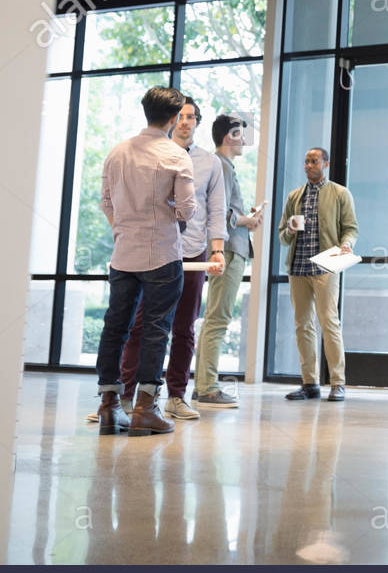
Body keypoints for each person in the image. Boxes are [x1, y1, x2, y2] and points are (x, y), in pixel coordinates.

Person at [93, 95, 226, 424]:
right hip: (164, 255)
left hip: (123, 256)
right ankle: (144, 409)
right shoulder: (176, 156)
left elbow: (106, 202)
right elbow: (187, 209)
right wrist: (174, 220)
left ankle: (109, 405)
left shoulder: (117, 151)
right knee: (155, 329)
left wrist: (124, 230)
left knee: (115, 328)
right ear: (170, 118)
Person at [277, 146, 357, 402]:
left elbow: (351, 228)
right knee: (303, 325)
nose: (309, 165)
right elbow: (282, 236)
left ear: (326, 164)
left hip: (326, 265)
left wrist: (347, 244)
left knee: (328, 321)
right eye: (306, 161)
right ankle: (309, 383)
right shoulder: (294, 196)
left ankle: (338, 382)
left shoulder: (340, 193)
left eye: (314, 161)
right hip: (298, 266)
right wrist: (290, 229)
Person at [193, 114, 263, 407]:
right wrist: (247, 219)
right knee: (218, 318)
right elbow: (219, 212)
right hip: (229, 250)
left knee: (215, 318)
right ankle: (207, 388)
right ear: (228, 136)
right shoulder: (221, 166)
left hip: (233, 248)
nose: (245, 140)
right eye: (240, 134)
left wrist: (244, 219)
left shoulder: (223, 166)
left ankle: (204, 385)